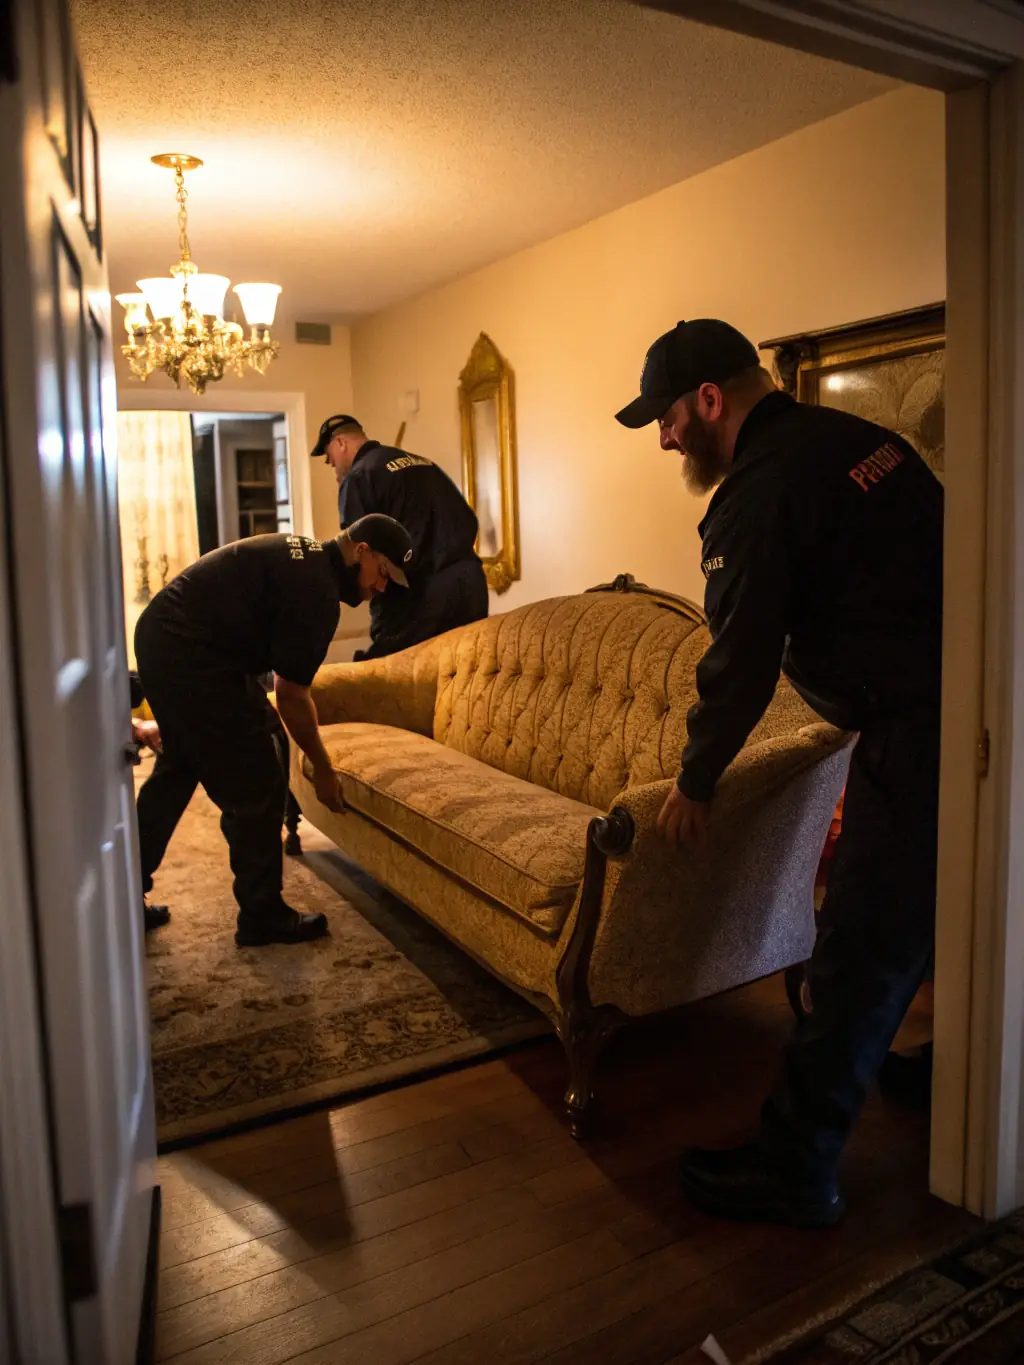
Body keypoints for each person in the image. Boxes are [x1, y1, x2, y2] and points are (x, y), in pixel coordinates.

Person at [615, 318, 943, 1229]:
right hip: (974, 705)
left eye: (667, 419)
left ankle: (797, 1166)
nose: (666, 438)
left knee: (857, 948)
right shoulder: (869, 443)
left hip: (920, 728)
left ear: (710, 400)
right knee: (955, 914)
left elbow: (738, 658)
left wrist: (697, 777)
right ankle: (943, 1070)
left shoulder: (757, 491)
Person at [134, 515, 414, 947]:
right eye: (383, 573)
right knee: (257, 782)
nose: (381, 587)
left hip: (171, 639)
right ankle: (262, 915)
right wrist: (322, 768)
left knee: (181, 767)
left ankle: (124, 899)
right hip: (189, 652)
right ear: (362, 551)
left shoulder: (309, 563)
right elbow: (291, 696)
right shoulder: (317, 594)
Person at [311, 414, 488, 658]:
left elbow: (362, 555)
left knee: (386, 677)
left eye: (329, 456)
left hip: (420, 594)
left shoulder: (359, 477)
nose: (331, 465)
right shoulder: (423, 463)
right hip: (471, 585)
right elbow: (468, 519)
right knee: (465, 675)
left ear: (341, 443)